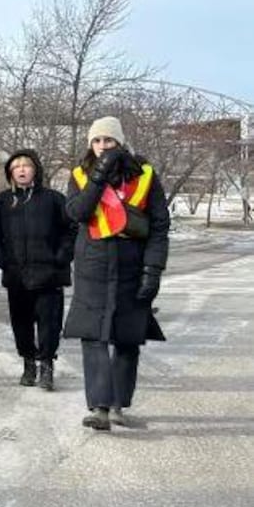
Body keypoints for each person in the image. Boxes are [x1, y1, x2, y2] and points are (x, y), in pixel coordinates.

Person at [63, 117, 169, 431]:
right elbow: (77, 213)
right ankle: (99, 408)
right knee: (93, 334)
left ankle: (118, 404)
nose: (102, 147)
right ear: (90, 144)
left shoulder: (146, 175)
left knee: (127, 337)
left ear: (120, 142)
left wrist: (153, 269)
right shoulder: (80, 175)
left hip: (131, 262)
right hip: (92, 262)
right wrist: (98, 176)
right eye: (97, 141)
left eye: (109, 141)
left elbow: (160, 227)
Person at [0, 149, 76, 391]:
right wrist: (3, 260)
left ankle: (46, 364)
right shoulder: (1, 202)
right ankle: (28, 363)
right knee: (21, 323)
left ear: (36, 169)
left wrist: (62, 255)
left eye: (27, 165)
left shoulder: (54, 199)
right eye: (16, 166)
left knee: (50, 323)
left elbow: (71, 231)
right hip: (17, 276)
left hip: (50, 274)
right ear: (10, 173)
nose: (22, 170)